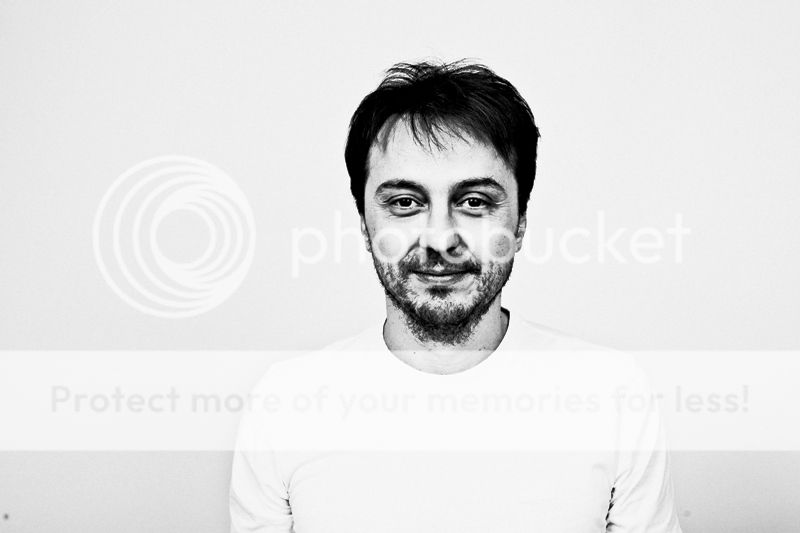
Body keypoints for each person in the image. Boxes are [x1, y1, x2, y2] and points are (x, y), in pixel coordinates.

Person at [230, 60, 682, 532]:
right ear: (365, 225)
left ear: (520, 224)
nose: (440, 239)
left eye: (475, 202)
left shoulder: (613, 394)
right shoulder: (284, 405)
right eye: (405, 203)